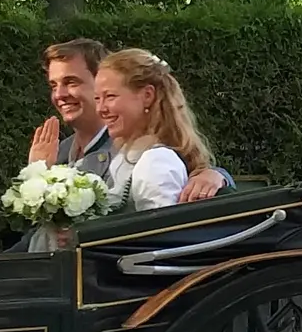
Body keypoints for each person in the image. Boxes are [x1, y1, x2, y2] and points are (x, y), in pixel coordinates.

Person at [26, 39, 228, 199]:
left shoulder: (138, 150)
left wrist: (217, 176)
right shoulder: (58, 151)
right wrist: (37, 173)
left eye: (71, 82)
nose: (59, 95)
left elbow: (179, 170)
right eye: (53, 85)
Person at [94, 49, 213, 212]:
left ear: (147, 96)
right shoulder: (127, 153)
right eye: (97, 98)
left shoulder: (156, 161)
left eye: (110, 96)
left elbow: (160, 226)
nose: (100, 109)